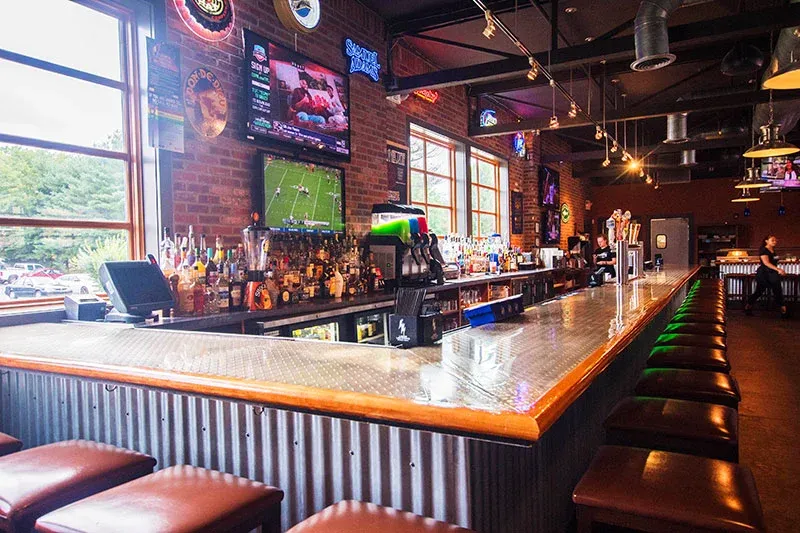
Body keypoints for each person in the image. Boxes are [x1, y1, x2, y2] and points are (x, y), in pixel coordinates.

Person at [745, 235, 788, 318]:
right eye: (772, 240)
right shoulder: (764, 250)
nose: (775, 242)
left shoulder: (772, 250)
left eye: (775, 240)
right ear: (766, 241)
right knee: (759, 291)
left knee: (778, 290)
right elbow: (766, 263)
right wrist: (778, 269)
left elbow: (774, 259)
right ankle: (748, 307)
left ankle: (784, 311)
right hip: (765, 273)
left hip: (772, 273)